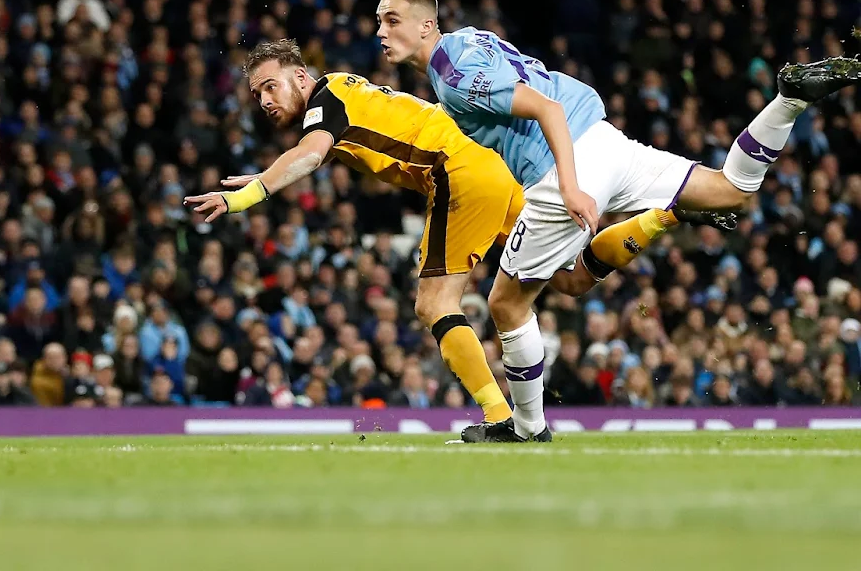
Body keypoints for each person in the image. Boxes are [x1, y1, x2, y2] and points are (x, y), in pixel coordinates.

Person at [376, 0, 859, 442]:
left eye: (392, 20)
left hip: (566, 161)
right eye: (378, 21)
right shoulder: (467, 39)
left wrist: (569, 186)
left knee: (506, 304)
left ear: (425, 27)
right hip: (605, 139)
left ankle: (526, 427)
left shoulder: (452, 77)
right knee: (730, 189)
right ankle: (789, 100)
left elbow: (546, 110)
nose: (381, 32)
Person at [184, 39, 727, 429]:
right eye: (257, 95)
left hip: (457, 175)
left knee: (433, 303)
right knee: (569, 280)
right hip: (493, 170)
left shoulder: (325, 102)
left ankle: (498, 415)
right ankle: (671, 214)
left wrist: (246, 194)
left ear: (301, 77)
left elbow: (309, 155)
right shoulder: (349, 88)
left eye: (270, 86)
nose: (265, 100)